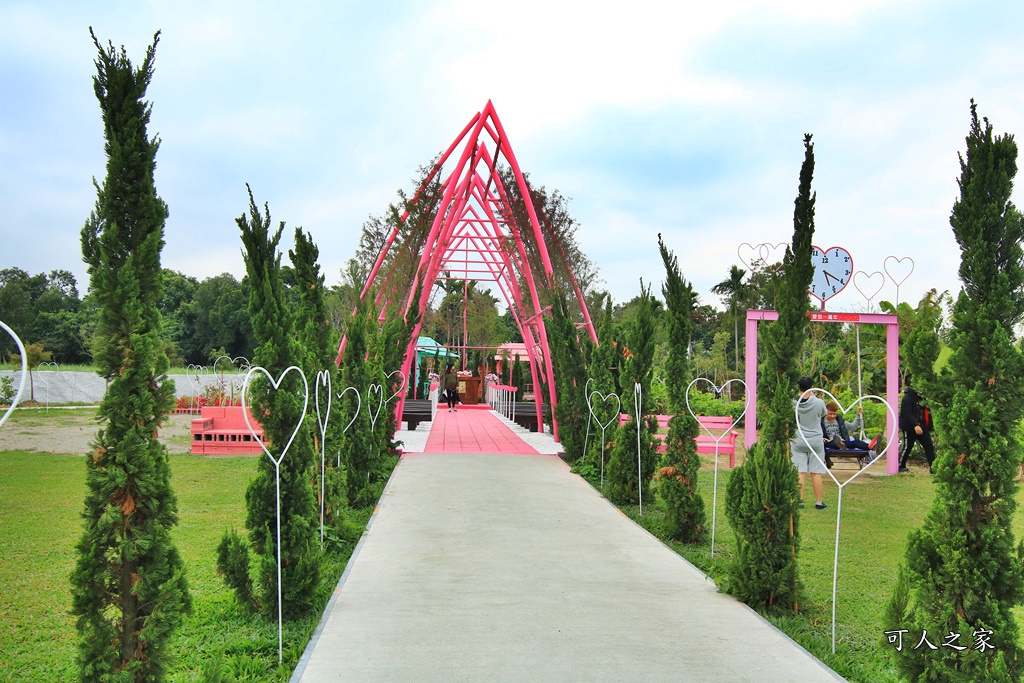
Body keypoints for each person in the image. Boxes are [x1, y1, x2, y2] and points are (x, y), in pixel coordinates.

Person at [791, 376, 828, 509]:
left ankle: (799, 501)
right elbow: (823, 414)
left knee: (800, 471)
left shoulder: (794, 402)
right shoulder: (819, 402)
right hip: (816, 441)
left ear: (798, 387)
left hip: (798, 440)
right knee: (816, 472)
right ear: (812, 387)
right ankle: (819, 502)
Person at [898, 385, 935, 473]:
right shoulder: (907, 398)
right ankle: (901, 465)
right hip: (910, 426)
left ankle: (933, 468)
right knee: (908, 446)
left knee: (929, 446)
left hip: (922, 426)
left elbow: (926, 412)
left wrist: (929, 426)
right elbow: (906, 413)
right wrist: (915, 425)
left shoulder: (921, 398)